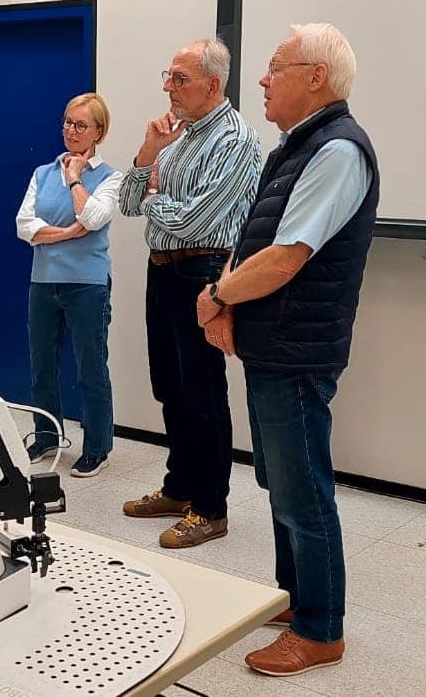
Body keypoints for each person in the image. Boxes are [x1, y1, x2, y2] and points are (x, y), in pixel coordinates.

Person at [197, 23, 377, 676]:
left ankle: (319, 628)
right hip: (276, 342)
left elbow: (285, 257)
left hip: (297, 349)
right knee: (281, 480)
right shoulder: (297, 147)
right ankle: (296, 598)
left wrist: (217, 295)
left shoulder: (335, 151)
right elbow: (262, 241)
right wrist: (229, 303)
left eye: (275, 67)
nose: (263, 80)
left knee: (303, 488)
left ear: (315, 77)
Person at [117, 39, 261, 548]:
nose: (167, 86)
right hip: (162, 269)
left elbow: (195, 219)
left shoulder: (237, 140)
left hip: (203, 271)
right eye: (168, 76)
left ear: (212, 84)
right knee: (168, 385)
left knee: (202, 391)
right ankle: (179, 488)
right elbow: (129, 203)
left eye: (179, 78)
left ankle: (210, 507)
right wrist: (146, 156)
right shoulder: (174, 137)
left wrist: (158, 197)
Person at [16, 93, 122, 478]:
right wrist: (63, 234)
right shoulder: (42, 173)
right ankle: (46, 436)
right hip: (43, 283)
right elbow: (23, 226)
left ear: (99, 131)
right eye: (67, 122)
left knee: (90, 367)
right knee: (41, 364)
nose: (70, 130)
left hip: (87, 285)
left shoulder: (111, 178)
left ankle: (97, 445)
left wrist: (76, 179)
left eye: (80, 125)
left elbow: (93, 216)